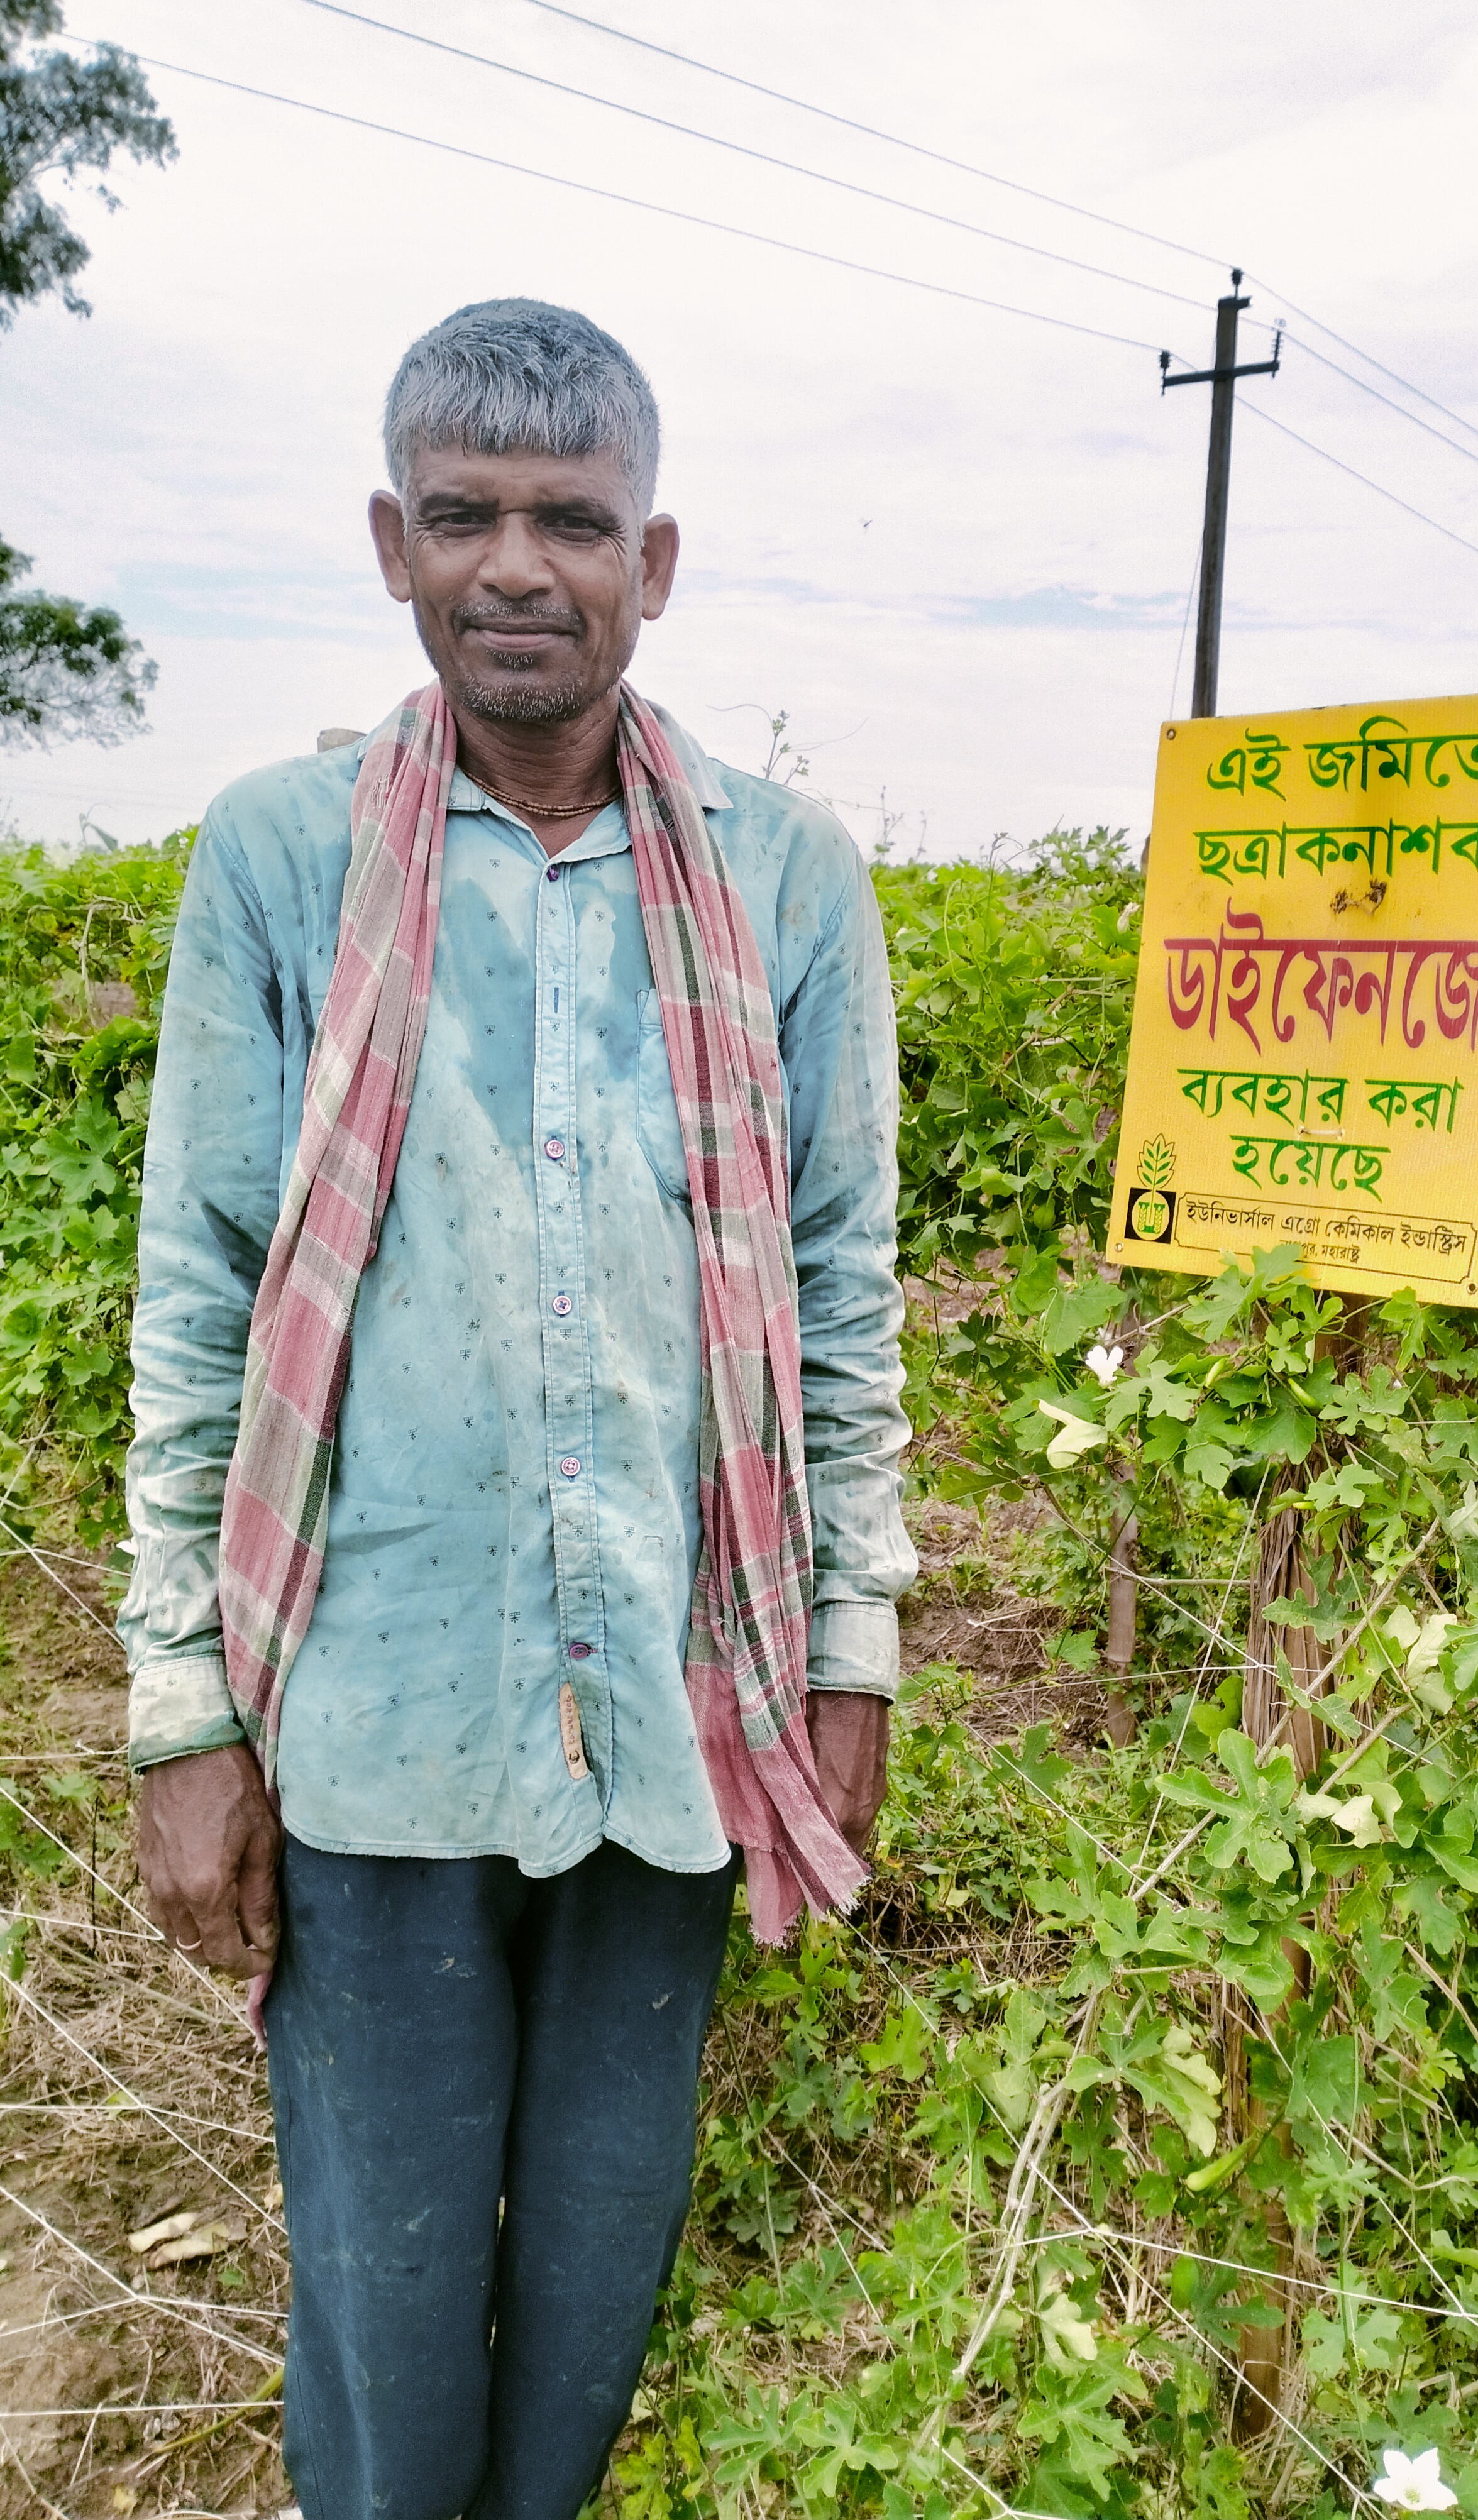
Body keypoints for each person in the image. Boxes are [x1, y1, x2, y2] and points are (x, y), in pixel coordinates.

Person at [118, 298, 917, 2519]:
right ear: (393, 544)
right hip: (372, 1721)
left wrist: (848, 1646)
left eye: (572, 522)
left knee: (590, 2292)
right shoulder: (281, 859)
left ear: (653, 563)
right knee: (382, 2316)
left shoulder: (785, 877)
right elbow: (199, 1299)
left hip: (677, 1702)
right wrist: (182, 1710)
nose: (515, 568)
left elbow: (840, 1294)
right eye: (462, 516)